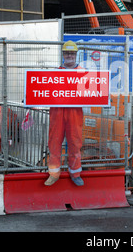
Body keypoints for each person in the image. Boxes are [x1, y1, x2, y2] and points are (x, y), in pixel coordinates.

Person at [45, 40, 84, 187]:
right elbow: (44, 90)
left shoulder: (84, 73)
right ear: (63, 54)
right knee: (54, 142)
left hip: (74, 112)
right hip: (57, 111)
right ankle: (54, 174)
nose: (69, 55)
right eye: (67, 53)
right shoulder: (54, 73)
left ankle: (75, 174)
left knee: (75, 142)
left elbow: (92, 92)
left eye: (72, 53)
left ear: (76, 54)